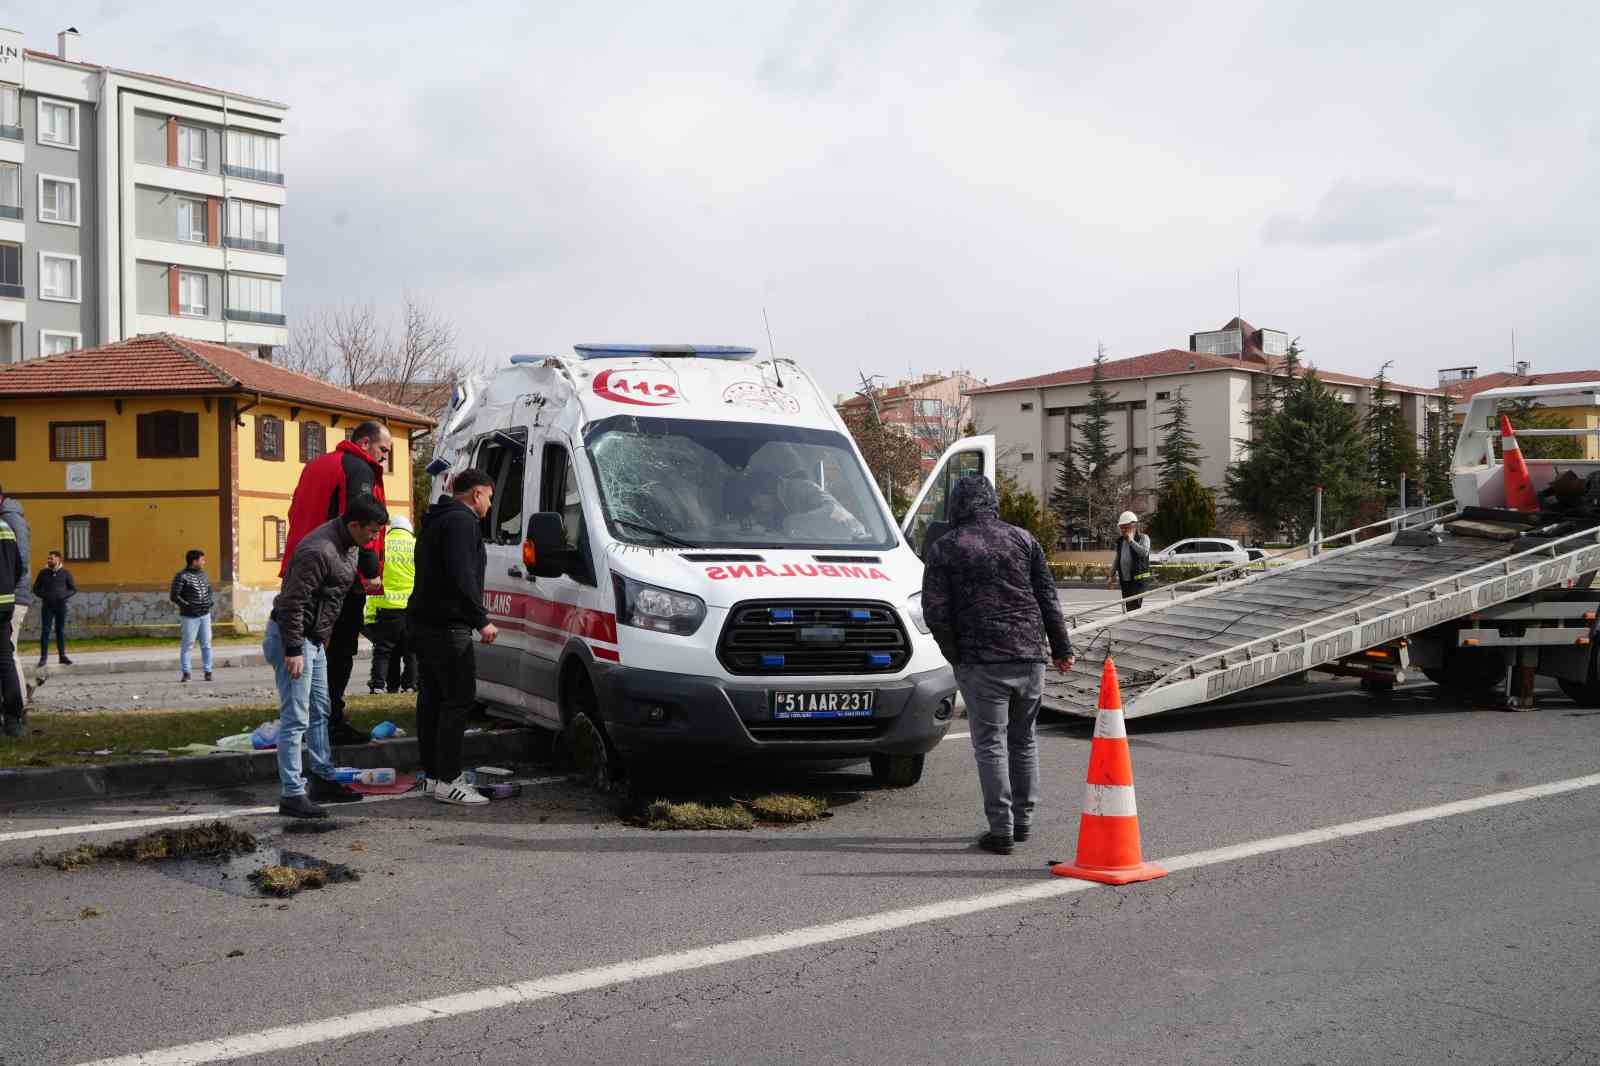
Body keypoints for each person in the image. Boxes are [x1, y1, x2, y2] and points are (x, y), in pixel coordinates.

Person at [922, 474, 1074, 856]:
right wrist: (1061, 648)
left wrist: (955, 653)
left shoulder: (946, 546)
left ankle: (1001, 829)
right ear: (992, 501)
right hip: (1029, 655)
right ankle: (1023, 822)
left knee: (990, 745)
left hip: (982, 660)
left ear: (955, 506)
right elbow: (1047, 597)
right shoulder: (1024, 539)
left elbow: (934, 611)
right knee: (1023, 740)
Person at [264, 496, 390, 819]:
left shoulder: (348, 544)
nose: (374, 539)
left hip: (314, 640)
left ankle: (322, 777)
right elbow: (293, 601)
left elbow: (331, 598)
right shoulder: (319, 550)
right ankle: (292, 794)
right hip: (293, 638)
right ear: (354, 525)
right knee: (296, 718)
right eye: (372, 532)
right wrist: (294, 649)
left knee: (321, 708)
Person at [282, 420, 392, 746]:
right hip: (336, 571)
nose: (384, 458)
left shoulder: (316, 465)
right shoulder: (359, 469)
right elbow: (362, 522)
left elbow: (295, 512)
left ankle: (310, 722)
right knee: (339, 650)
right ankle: (330, 721)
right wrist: (369, 571)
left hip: (304, 562)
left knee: (312, 647)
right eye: (383, 450)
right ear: (365, 442)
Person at [408, 469, 498, 806]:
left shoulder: (437, 519)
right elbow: (461, 574)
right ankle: (449, 779)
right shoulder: (462, 522)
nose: (490, 504)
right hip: (448, 627)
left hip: (424, 623)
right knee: (458, 700)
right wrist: (481, 620)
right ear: (476, 494)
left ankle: (433, 775)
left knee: (432, 700)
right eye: (489, 496)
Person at [363, 513, 416, 693]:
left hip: (385, 605)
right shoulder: (416, 545)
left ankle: (379, 685)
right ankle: (410, 685)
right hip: (410, 607)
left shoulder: (383, 543)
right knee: (411, 651)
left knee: (384, 650)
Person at [0, 487, 32, 705]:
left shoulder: (9, 519)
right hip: (10, 594)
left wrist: (7, 587)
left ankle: (18, 706)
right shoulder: (10, 516)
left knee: (8, 655)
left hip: (11, 597)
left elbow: (19, 560)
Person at [170, 549, 215, 682]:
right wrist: (188, 606)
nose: (204, 562)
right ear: (194, 561)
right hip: (189, 617)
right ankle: (186, 672)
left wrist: (209, 602)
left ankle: (208, 671)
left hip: (205, 615)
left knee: (207, 644)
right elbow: (174, 596)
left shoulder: (204, 575)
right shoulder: (181, 576)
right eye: (202, 560)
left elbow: (209, 590)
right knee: (188, 645)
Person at [0, 505, 24, 737]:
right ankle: (14, 720)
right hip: (5, 604)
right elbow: (19, 567)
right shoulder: (6, 528)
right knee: (5, 662)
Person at [32, 550, 76, 667]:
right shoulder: (43, 573)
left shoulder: (66, 573)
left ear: (58, 559)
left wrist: (64, 595)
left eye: (51, 558)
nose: (49, 560)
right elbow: (35, 589)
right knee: (45, 631)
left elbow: (73, 589)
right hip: (47, 606)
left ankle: (62, 656)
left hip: (61, 606)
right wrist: (45, 595)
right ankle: (43, 658)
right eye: (48, 558)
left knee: (60, 631)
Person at [1106, 510, 1152, 611]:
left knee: (1134, 607)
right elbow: (1118, 558)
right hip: (1125, 581)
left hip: (1138, 581)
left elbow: (1144, 552)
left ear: (1134, 526)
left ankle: (1135, 624)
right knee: (1129, 608)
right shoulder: (1121, 541)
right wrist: (1111, 575)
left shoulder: (1143, 538)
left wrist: (1131, 541)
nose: (1123, 530)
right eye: (1121, 528)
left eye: (1126, 528)